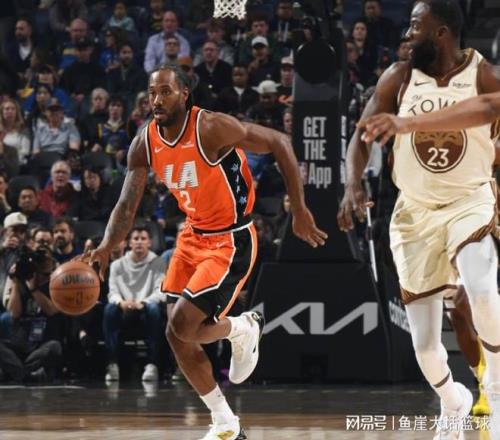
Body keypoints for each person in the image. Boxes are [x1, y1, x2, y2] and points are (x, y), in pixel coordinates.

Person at [88, 64, 326, 440]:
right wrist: (105, 246)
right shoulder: (145, 141)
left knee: (185, 326)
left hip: (230, 239)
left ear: (184, 94)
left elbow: (280, 141)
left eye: (165, 92)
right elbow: (126, 204)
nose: (156, 100)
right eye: (152, 92)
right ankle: (225, 422)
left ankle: (244, 327)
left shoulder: (211, 127)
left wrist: (298, 209)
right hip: (192, 235)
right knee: (175, 334)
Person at [337, 1, 500, 438]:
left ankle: (496, 389)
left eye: (415, 26)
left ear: (441, 32)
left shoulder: (484, 74)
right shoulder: (398, 76)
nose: (406, 34)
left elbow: (489, 108)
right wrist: (352, 183)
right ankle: (454, 401)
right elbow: (362, 135)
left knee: (482, 289)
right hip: (414, 211)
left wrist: (408, 124)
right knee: (425, 347)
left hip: (468, 200)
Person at [103, 226, 166, 383]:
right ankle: (112, 363)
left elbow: (161, 292)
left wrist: (143, 303)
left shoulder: (158, 262)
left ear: (149, 243)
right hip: (124, 308)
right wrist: (121, 302)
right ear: (129, 243)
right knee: (110, 309)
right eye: (135, 239)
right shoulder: (117, 265)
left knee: (154, 309)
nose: (139, 242)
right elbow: (112, 293)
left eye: (143, 239)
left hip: (145, 307)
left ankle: (152, 364)